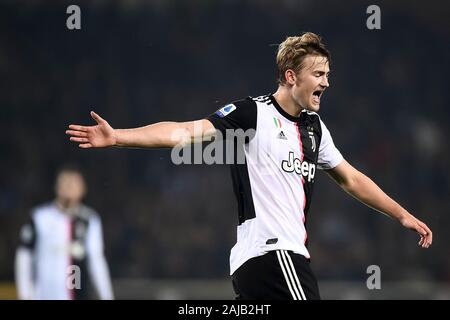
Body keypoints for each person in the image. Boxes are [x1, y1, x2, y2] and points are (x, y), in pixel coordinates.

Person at [65, 32, 432, 300]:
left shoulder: (314, 128)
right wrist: (119, 137)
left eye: (328, 74)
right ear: (291, 76)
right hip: (274, 254)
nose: (327, 81)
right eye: (319, 74)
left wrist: (401, 215)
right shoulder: (253, 112)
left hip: (261, 264)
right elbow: (184, 132)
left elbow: (350, 178)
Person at [15, 165, 114, 300]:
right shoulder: (39, 217)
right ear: (56, 187)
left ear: (82, 189)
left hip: (77, 294)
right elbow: (24, 256)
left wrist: (107, 295)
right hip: (43, 294)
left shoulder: (89, 220)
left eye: (73, 183)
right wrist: (24, 292)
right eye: (65, 182)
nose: (69, 187)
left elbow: (96, 260)